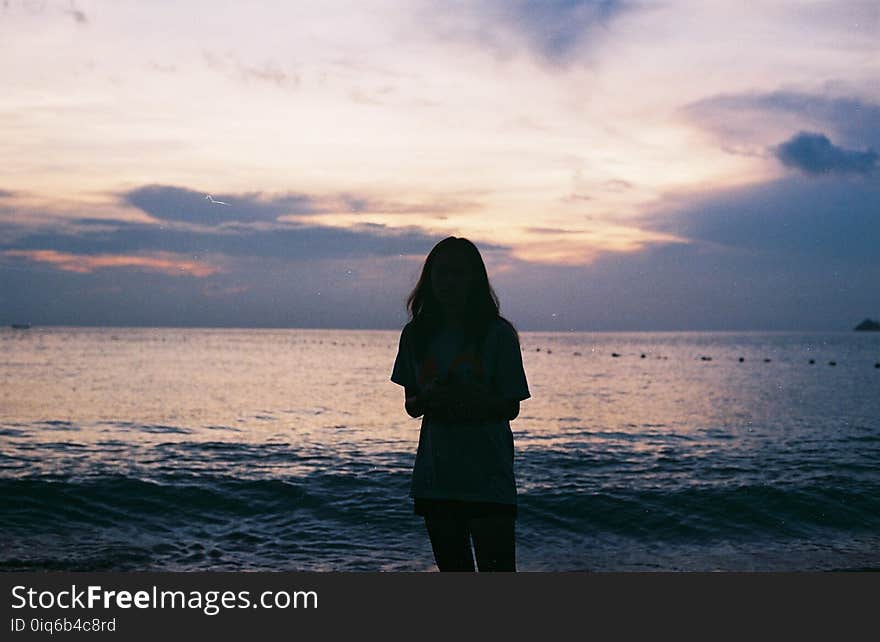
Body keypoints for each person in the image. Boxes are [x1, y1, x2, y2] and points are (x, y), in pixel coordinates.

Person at [390, 236, 530, 572]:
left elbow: (511, 406)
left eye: (458, 273)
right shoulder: (416, 335)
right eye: (442, 273)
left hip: (489, 479)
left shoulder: (498, 335)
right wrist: (433, 397)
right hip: (437, 478)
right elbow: (412, 404)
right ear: (430, 278)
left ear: (474, 279)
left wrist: (471, 397)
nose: (449, 281)